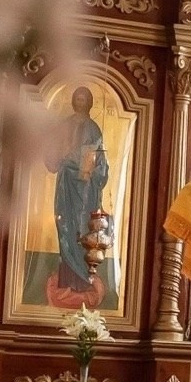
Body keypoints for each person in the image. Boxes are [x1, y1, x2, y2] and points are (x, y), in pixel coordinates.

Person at [47, 87, 111, 310]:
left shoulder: (93, 129)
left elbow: (101, 164)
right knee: (65, 226)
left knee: (82, 229)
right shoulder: (64, 126)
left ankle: (83, 281)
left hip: (85, 190)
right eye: (77, 98)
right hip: (66, 185)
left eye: (84, 99)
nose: (80, 102)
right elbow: (52, 157)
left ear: (89, 103)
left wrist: (92, 170)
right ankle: (68, 280)